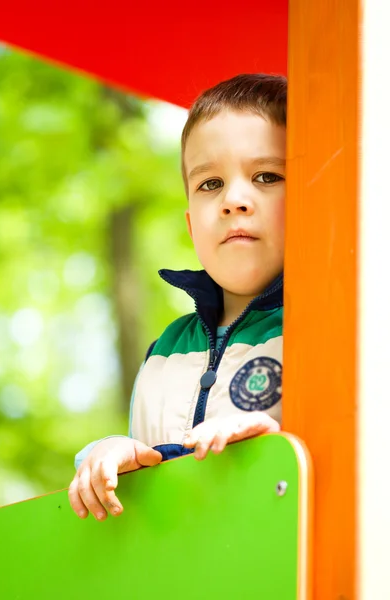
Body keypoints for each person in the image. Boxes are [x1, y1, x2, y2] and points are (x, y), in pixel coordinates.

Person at [68, 73, 287, 521]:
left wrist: (282, 440)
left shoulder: (330, 327)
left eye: (266, 175)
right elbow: (147, 503)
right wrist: (111, 454)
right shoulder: (164, 352)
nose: (234, 200)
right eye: (210, 184)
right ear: (192, 227)